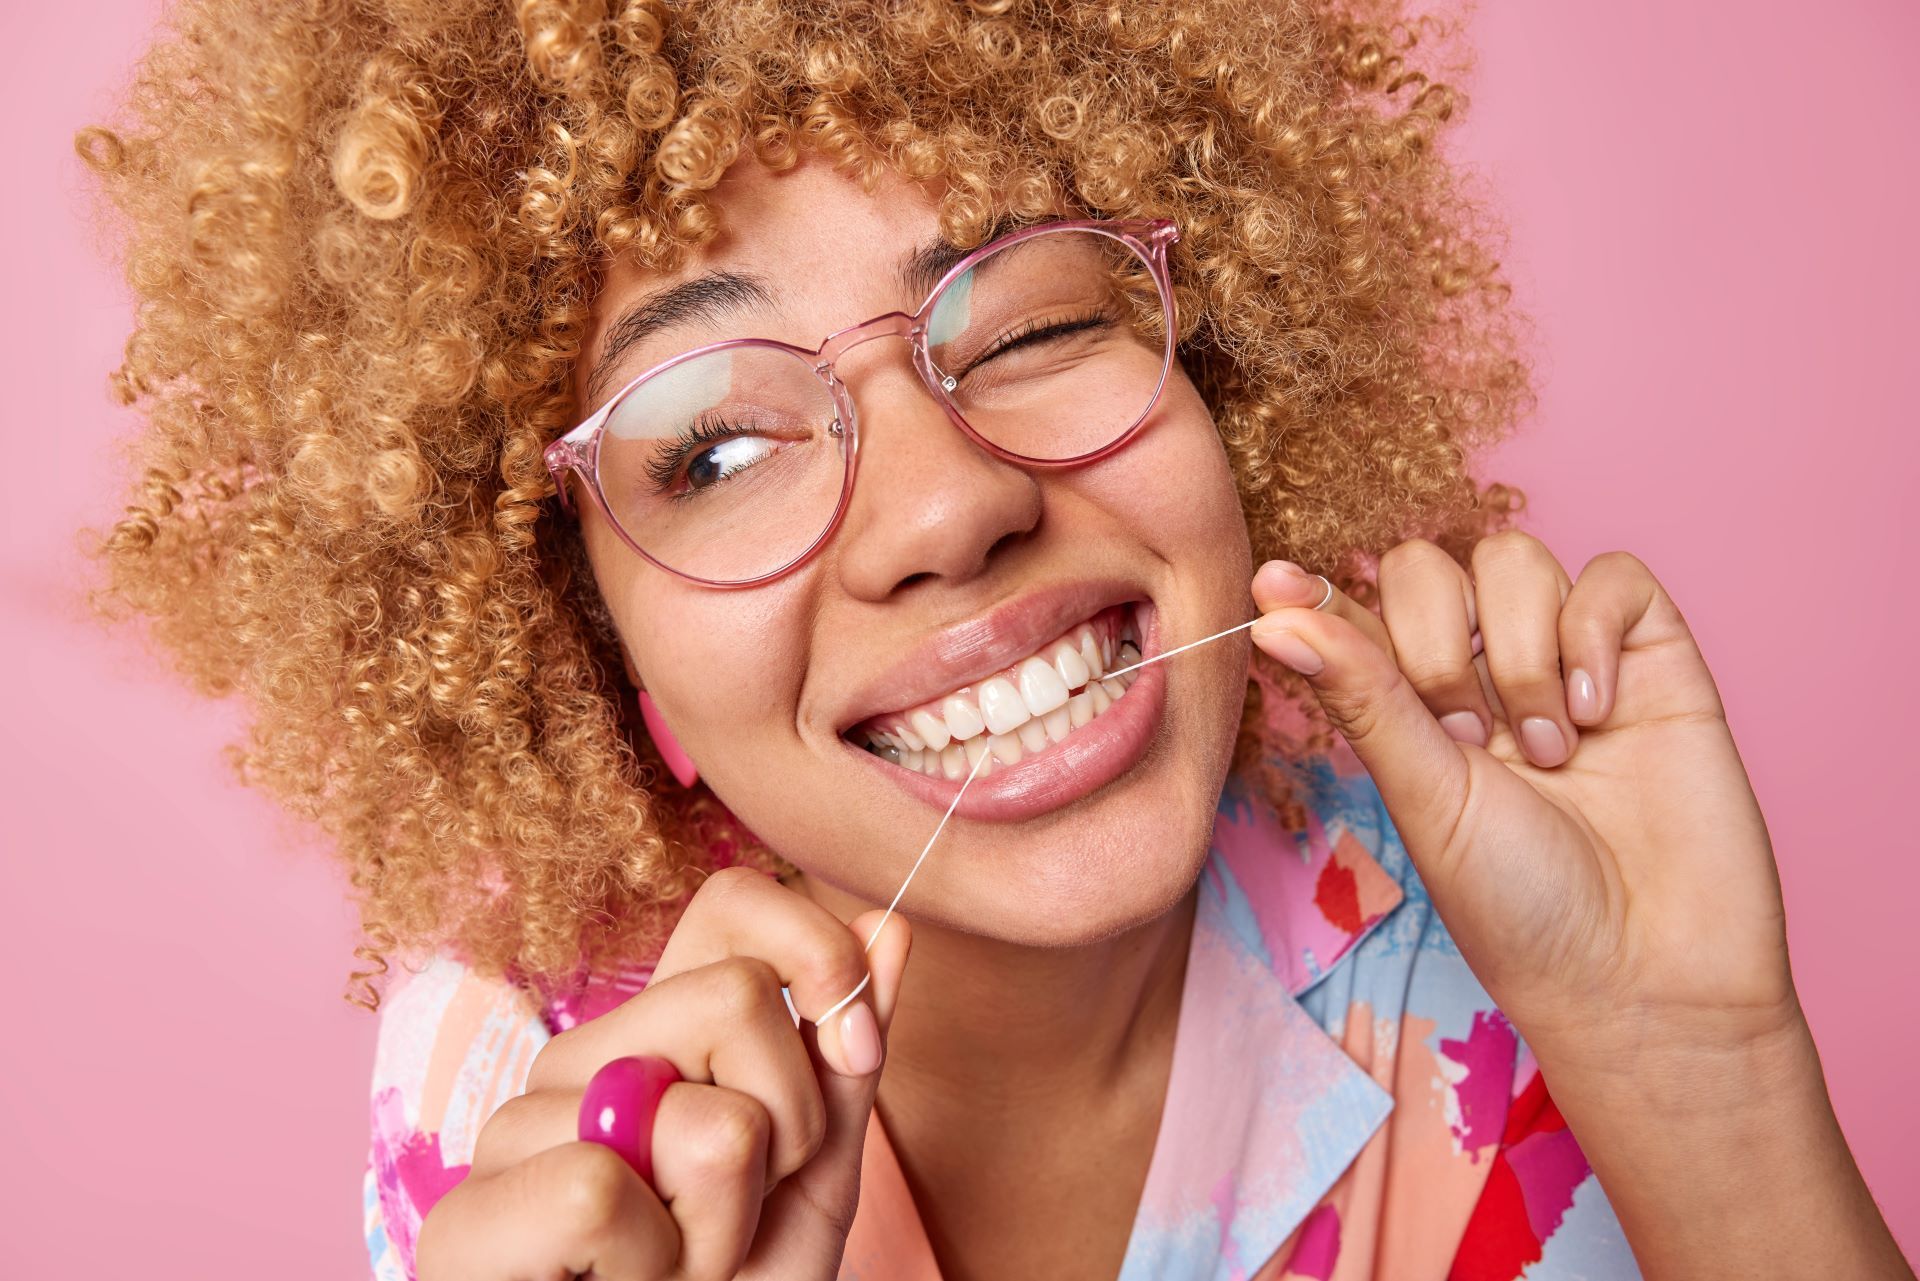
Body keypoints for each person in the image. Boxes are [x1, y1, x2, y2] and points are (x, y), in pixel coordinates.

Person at [76, 0, 1912, 1277]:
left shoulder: (1502, 950)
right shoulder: (525, 1116)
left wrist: (1700, 1075)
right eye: (715, 446)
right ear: (591, 648)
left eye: (1028, 319)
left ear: (1228, 373)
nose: (951, 505)